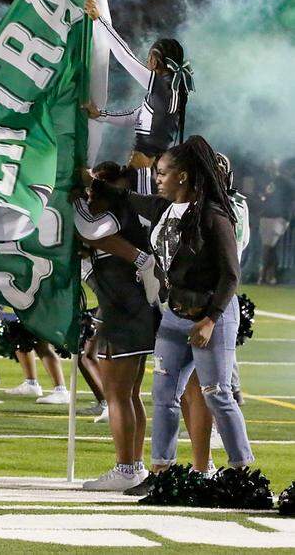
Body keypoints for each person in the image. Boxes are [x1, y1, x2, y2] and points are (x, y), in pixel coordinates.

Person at [123, 136, 253, 497]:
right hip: (174, 317)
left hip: (211, 319)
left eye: (163, 173)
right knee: (163, 395)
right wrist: (92, 182)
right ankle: (161, 472)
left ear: (183, 176)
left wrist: (210, 320)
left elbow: (231, 274)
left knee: (217, 394)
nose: (158, 179)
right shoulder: (165, 209)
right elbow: (128, 198)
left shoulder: (213, 215)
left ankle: (241, 472)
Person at [74, 166, 159, 490]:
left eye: (96, 191)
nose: (90, 197)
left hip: (126, 314)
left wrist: (74, 201)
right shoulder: (113, 223)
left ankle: (126, 468)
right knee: (128, 395)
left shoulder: (115, 215)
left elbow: (86, 230)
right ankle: (132, 466)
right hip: (127, 313)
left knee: (118, 396)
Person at [83, 0, 192, 195]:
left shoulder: (164, 87)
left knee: (136, 221)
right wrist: (100, 114)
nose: (146, 61)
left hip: (146, 174)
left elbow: (125, 57)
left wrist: (99, 21)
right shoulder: (162, 92)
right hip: (139, 171)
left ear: (156, 59)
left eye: (149, 57)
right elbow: (133, 117)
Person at [255, 158, 292, 285]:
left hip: (278, 218)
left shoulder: (285, 182)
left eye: (272, 166)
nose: (269, 168)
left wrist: (287, 218)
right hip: (266, 216)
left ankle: (262, 275)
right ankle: (271, 276)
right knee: (271, 247)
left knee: (267, 246)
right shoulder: (266, 181)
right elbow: (263, 197)